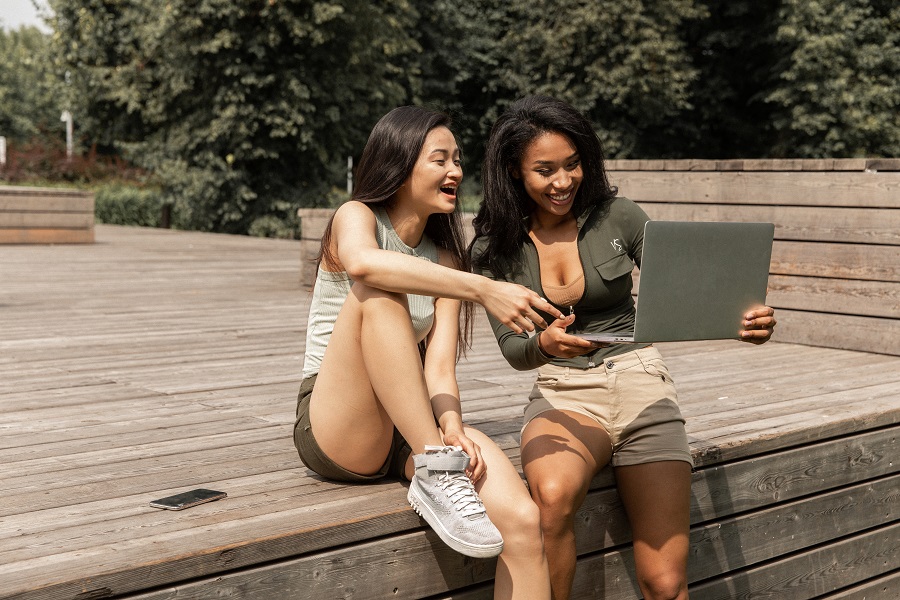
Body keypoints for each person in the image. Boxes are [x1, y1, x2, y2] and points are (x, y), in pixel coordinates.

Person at [470, 96, 777, 600]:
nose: (563, 181)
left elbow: (683, 291)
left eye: (572, 164)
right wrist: (545, 344)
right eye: (544, 170)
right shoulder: (494, 248)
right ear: (513, 172)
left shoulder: (619, 216)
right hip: (564, 392)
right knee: (551, 496)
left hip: (641, 382)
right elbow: (513, 349)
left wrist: (744, 322)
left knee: (664, 582)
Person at [294, 106, 557, 599]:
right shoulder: (357, 218)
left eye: (458, 160)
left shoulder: (446, 258)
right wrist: (482, 287)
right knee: (377, 290)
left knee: (522, 521)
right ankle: (435, 465)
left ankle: (436, 459)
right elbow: (363, 264)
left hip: (410, 424)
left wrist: (452, 427)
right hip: (337, 423)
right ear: (400, 163)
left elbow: (437, 368)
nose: (456, 170)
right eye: (440, 159)